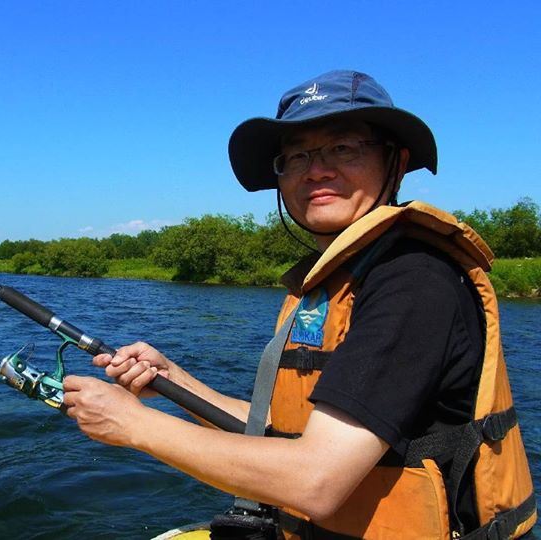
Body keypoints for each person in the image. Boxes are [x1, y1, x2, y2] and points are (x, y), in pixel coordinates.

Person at [62, 70, 536, 539]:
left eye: (343, 148)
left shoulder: (411, 280)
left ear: (396, 161)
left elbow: (316, 480)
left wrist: (133, 424)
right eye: (296, 156)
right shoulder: (342, 279)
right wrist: (173, 382)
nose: (316, 169)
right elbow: (283, 431)